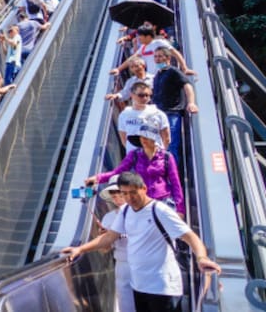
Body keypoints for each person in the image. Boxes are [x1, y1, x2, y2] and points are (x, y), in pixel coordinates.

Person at [63, 171, 221, 312]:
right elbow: (109, 237)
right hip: (139, 286)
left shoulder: (159, 210)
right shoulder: (125, 211)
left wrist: (202, 258)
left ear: (144, 188)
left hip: (163, 287)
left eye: (133, 192)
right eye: (124, 193)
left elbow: (190, 236)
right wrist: (80, 250)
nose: (128, 198)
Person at [85, 120, 184, 216]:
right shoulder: (134, 155)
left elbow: (176, 184)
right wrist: (97, 178)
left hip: (164, 201)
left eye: (147, 137)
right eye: (141, 137)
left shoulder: (166, 157)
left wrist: (180, 209)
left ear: (155, 139)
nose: (143, 140)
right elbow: (117, 172)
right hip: (143, 201)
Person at [152, 47, 199, 159]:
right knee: (159, 145)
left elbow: (187, 86)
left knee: (171, 144)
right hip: (159, 114)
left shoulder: (173, 71)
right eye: (155, 56)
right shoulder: (158, 75)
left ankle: (172, 172)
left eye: (160, 56)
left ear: (168, 58)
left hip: (172, 113)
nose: (157, 59)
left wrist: (191, 103)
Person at [98, 175, 134, 312]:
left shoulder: (142, 212)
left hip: (143, 263)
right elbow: (105, 250)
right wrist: (103, 238)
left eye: (120, 194)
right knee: (126, 305)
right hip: (122, 264)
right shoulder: (108, 217)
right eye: (114, 196)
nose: (117, 199)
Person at [110, 24, 194, 77]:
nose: (138, 38)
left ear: (148, 36)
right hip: (152, 78)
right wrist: (118, 69)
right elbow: (132, 58)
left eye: (141, 36)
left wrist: (184, 68)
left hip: (164, 75)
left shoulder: (159, 42)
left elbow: (175, 53)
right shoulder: (143, 47)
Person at [114, 82, 170, 154]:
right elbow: (123, 138)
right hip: (135, 158)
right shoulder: (124, 115)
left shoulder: (159, 114)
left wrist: (160, 154)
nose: (145, 98)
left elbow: (166, 138)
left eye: (147, 95)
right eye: (141, 95)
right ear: (132, 95)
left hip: (155, 157)